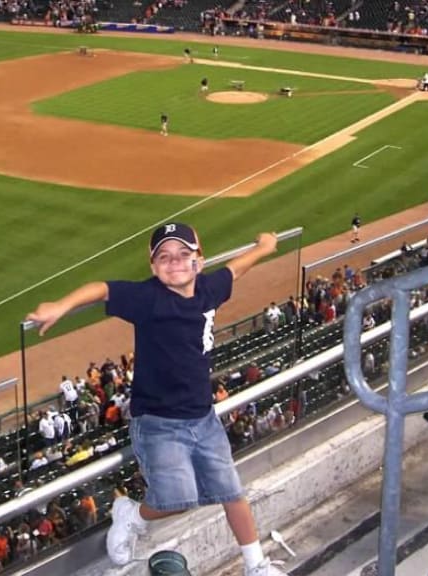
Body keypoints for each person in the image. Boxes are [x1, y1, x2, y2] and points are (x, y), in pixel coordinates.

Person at [26, 223, 288, 575]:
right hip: (157, 421)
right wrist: (62, 305)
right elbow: (103, 289)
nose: (174, 262)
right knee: (176, 499)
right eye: (164, 257)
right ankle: (131, 514)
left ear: (199, 260)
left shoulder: (209, 288)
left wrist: (264, 247)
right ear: (152, 266)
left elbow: (235, 270)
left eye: (184, 254)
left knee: (232, 492)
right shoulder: (148, 298)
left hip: (203, 417)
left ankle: (256, 565)